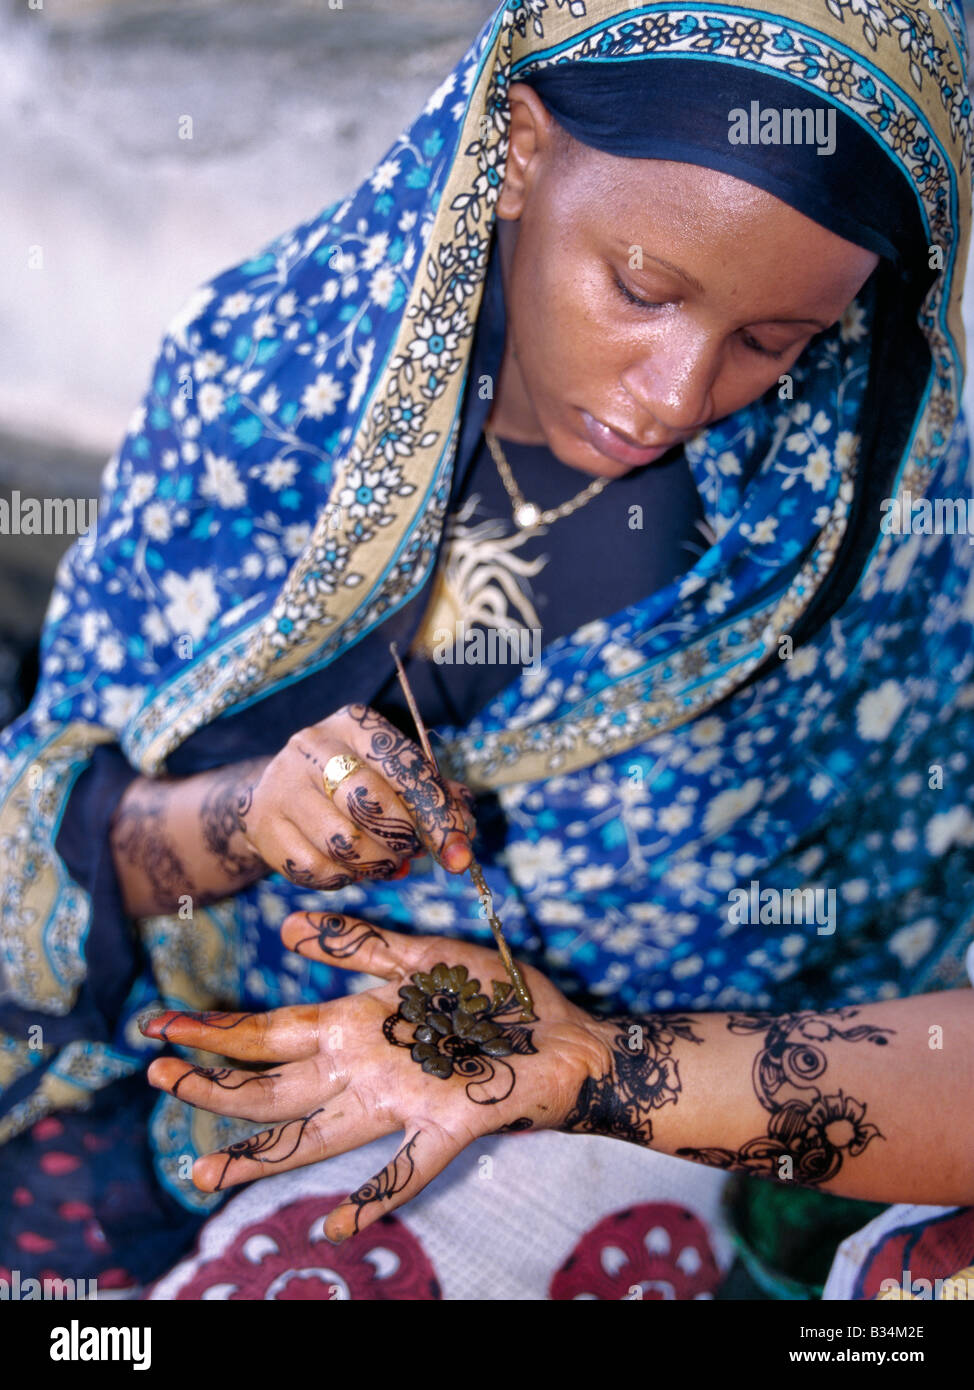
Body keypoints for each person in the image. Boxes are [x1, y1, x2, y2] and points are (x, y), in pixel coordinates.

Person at [2, 0, 973, 1292]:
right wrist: (249, 818)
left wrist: (584, 1062)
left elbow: (861, 1007)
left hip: (576, 1140)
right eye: (639, 287)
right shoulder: (262, 394)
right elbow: (57, 824)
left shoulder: (859, 540)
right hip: (145, 1052)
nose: (675, 393)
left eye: (771, 341)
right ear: (516, 147)